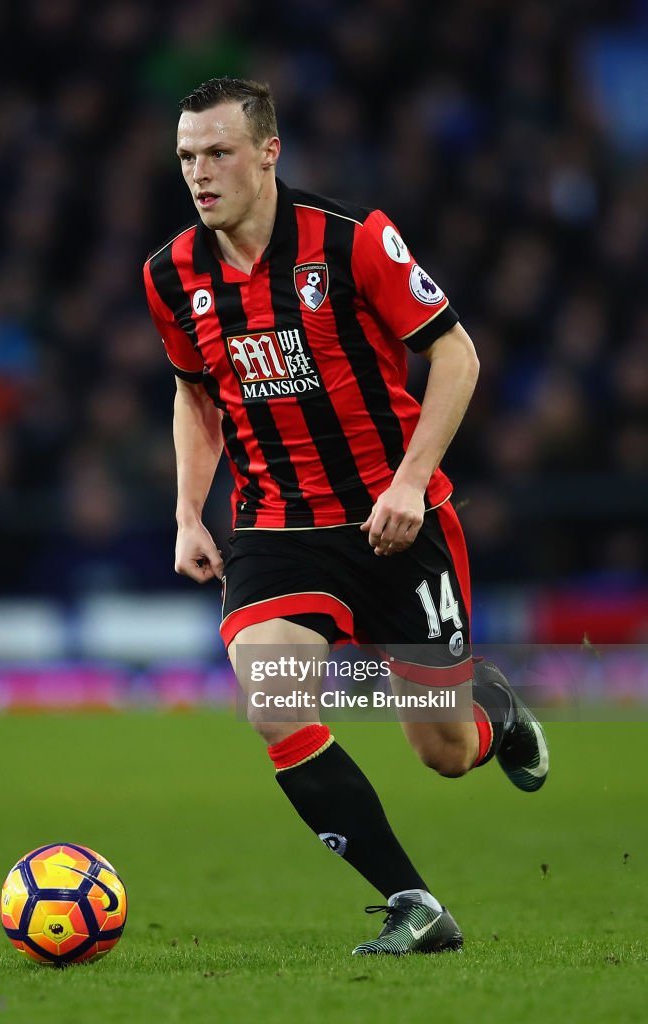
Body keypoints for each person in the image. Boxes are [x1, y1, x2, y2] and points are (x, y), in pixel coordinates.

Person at [143, 77, 549, 955]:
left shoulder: (354, 240)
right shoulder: (172, 275)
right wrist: (186, 511)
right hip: (278, 530)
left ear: (268, 152)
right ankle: (414, 902)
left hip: (395, 524)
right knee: (272, 699)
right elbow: (194, 395)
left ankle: (496, 714)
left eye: (217, 153)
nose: (200, 174)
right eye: (186, 158)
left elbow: (456, 354)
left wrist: (410, 481)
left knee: (444, 751)